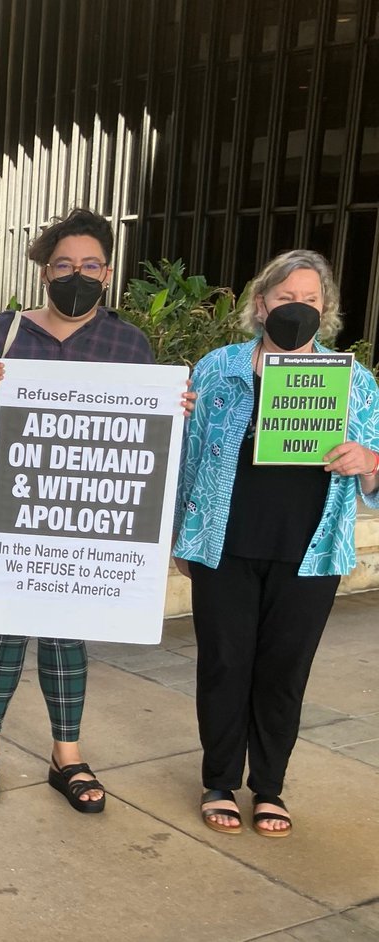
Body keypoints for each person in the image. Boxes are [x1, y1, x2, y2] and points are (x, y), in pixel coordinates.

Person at [0, 208, 159, 813]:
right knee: (5, 629)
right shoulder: (8, 332)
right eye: (64, 265)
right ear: (45, 273)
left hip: (85, 517)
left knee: (68, 636)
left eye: (90, 265)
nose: (77, 275)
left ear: (107, 273)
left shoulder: (126, 343)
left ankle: (69, 756)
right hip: (11, 511)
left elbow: (147, 433)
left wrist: (176, 411)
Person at [173, 249, 379, 838]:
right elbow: (187, 456)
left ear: (326, 310)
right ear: (261, 304)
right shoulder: (218, 368)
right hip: (224, 543)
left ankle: (269, 787)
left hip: (311, 549)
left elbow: (375, 470)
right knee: (223, 665)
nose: (297, 308)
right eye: (286, 298)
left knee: (284, 671)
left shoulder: (354, 381)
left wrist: (368, 460)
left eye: (310, 300)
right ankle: (218, 779)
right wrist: (181, 536)